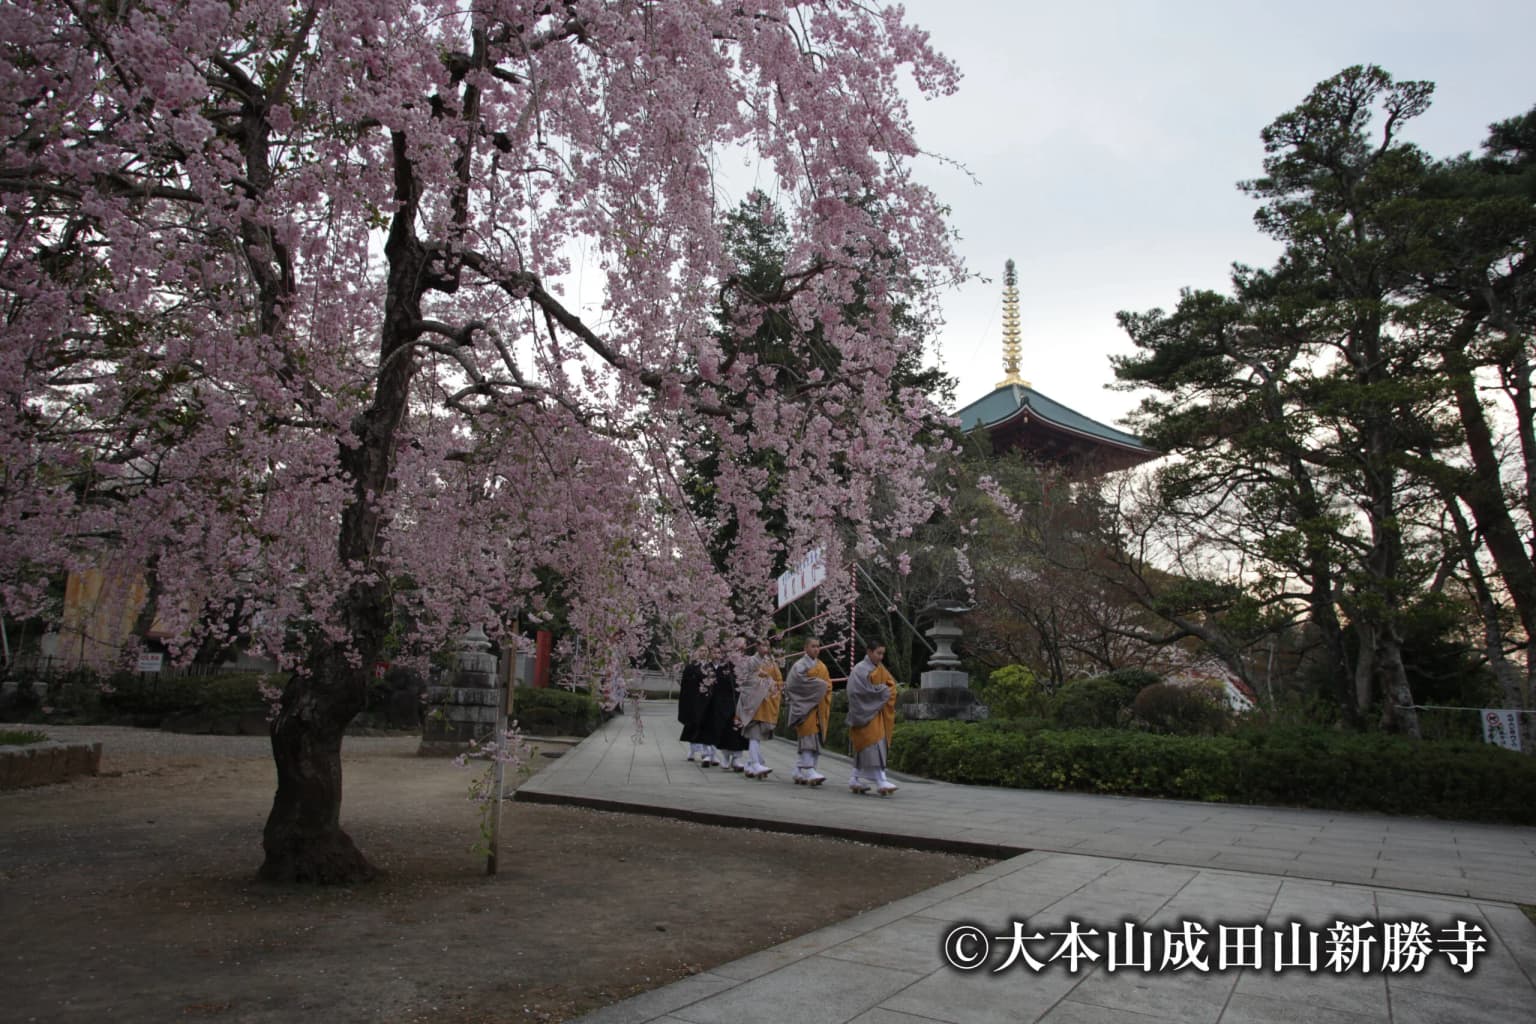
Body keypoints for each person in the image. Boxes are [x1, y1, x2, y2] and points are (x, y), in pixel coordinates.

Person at [846, 642, 899, 795]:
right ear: (869, 651)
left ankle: (855, 778)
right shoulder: (859, 670)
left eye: (883, 653)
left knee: (872, 745)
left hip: (877, 713)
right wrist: (881, 692)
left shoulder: (880, 669)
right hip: (864, 714)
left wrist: (883, 692)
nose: (881, 657)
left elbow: (890, 686)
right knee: (872, 744)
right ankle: (880, 780)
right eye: (878, 653)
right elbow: (855, 692)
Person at [783, 634, 833, 786]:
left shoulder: (822, 666)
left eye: (818, 646)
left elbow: (828, 684)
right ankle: (810, 771)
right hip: (804, 708)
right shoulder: (799, 665)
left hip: (817, 709)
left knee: (815, 740)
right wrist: (820, 686)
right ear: (805, 648)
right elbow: (793, 685)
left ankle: (799, 771)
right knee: (808, 739)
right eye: (813, 646)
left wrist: (823, 687)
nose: (816, 649)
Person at [735, 637, 783, 779]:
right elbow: (745, 680)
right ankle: (755, 763)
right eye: (763, 645)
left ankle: (751, 764)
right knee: (754, 735)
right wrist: (762, 679)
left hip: (766, 704)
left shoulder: (772, 662)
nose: (766, 648)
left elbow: (778, 680)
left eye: (768, 645)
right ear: (757, 647)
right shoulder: (750, 661)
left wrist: (774, 685)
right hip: (753, 704)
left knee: (756, 736)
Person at [701, 644, 748, 771]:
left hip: (740, 702)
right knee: (726, 730)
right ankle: (726, 757)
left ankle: (737, 758)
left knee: (738, 731)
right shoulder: (723, 668)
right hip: (724, 703)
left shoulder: (745, 665)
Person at [677, 651, 713, 764]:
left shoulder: (709, 667)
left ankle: (705, 752)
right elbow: (684, 684)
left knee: (703, 725)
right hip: (693, 699)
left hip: (705, 700)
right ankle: (692, 751)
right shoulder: (690, 667)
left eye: (705, 651)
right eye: (701, 650)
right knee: (692, 724)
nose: (703, 653)